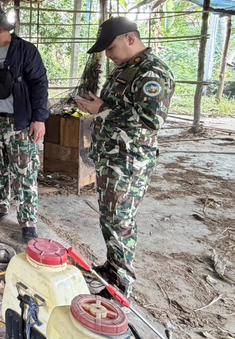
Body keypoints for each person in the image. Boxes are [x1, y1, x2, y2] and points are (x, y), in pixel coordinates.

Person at [76, 17, 174, 297]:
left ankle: (121, 286)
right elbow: (117, 107)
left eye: (111, 48)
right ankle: (112, 268)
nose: (108, 55)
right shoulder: (127, 68)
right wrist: (100, 107)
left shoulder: (152, 72)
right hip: (113, 158)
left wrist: (102, 109)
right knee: (110, 217)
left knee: (120, 220)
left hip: (129, 161)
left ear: (130, 39)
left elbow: (151, 120)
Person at [0, 9, 49, 244]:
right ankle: (0, 206)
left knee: (24, 172)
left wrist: (39, 119)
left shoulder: (25, 51)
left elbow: (40, 84)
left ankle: (28, 221)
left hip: (19, 122)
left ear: (1, 29)